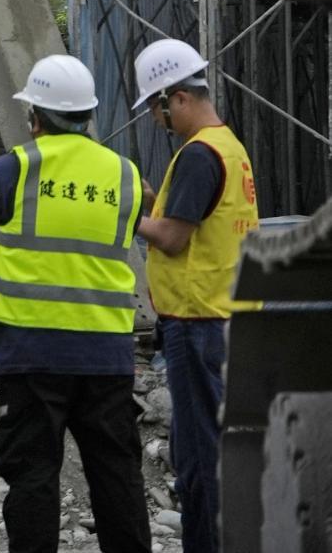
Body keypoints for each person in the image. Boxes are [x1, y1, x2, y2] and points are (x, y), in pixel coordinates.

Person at [0, 53, 153, 553]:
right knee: (117, 474)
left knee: (33, 476)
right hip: (106, 353)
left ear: (35, 115)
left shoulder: (11, 169)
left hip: (32, 351)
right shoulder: (124, 175)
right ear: (88, 115)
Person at [133, 38, 259, 553]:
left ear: (177, 96)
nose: (157, 120)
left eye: (158, 109)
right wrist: (148, 198)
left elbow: (173, 236)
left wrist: (124, 218)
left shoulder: (198, 155)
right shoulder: (228, 146)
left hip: (197, 322)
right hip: (226, 318)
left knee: (200, 459)